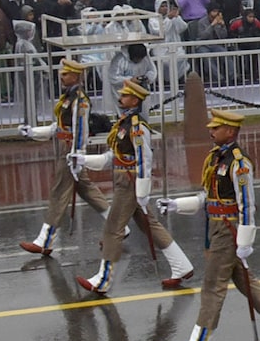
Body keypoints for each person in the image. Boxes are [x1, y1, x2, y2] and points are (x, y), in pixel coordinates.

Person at [157, 106, 260, 341]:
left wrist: (245, 241)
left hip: (229, 231)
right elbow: (207, 198)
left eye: (216, 127)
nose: (210, 130)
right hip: (216, 227)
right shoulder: (216, 158)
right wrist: (177, 204)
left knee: (212, 288)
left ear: (230, 131)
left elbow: (247, 203)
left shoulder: (238, 163)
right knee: (247, 283)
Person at [76, 79, 195, 295]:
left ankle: (104, 279)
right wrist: (85, 161)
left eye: (125, 95)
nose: (120, 97)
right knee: (149, 225)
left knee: (113, 228)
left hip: (131, 183)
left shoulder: (137, 127)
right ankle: (181, 265)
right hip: (124, 179)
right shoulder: (123, 123)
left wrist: (142, 192)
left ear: (135, 100)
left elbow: (145, 159)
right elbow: (114, 156)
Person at [18, 59, 108, 256]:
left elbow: (80, 129)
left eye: (66, 74)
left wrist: (77, 155)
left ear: (76, 76)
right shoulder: (67, 98)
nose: (62, 76)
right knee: (87, 191)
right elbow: (57, 126)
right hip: (63, 147)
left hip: (70, 150)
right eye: (62, 73)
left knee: (59, 192)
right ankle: (118, 227)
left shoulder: (79, 100)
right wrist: (33, 132)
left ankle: (45, 240)